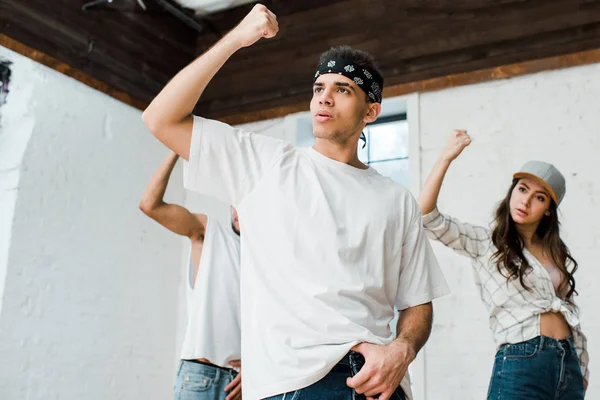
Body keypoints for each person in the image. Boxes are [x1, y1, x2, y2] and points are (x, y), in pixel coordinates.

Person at [142, 5, 449, 399]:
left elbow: (418, 302)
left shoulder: (397, 199)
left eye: (343, 90)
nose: (325, 98)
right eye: (319, 88)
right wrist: (236, 39)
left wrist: (402, 352)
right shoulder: (265, 164)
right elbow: (160, 119)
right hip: (294, 386)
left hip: (379, 385)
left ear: (370, 111)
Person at [418, 130, 589, 399]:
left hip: (567, 363)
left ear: (548, 209)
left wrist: (580, 367)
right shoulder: (486, 243)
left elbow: (569, 310)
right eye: (522, 190)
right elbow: (427, 217)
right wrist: (446, 158)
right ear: (512, 192)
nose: (526, 201)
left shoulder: (554, 253)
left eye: (539, 197)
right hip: (522, 359)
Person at [139, 151, 242, 400]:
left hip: (244, 383)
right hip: (202, 377)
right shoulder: (210, 232)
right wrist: (174, 149)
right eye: (235, 202)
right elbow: (150, 205)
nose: (239, 210)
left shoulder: (268, 259)